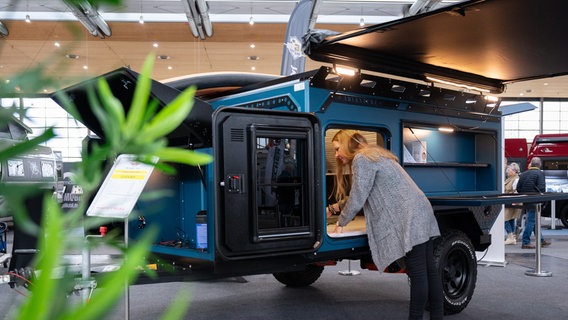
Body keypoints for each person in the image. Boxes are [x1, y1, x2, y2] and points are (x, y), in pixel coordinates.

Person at [328, 130, 443, 320]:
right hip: (421, 211)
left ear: (348, 144)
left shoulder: (362, 159)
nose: (336, 154)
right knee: (430, 271)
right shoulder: (376, 155)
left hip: (411, 216)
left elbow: (358, 197)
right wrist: (334, 208)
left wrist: (341, 223)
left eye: (338, 148)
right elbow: (363, 192)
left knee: (418, 273)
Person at [516, 157, 551, 249]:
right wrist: (543, 201)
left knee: (533, 220)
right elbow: (542, 189)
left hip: (526, 200)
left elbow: (518, 188)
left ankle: (541, 240)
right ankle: (525, 241)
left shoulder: (523, 174)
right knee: (531, 221)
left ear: (531, 164)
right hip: (535, 200)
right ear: (539, 165)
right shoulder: (540, 174)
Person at [504, 163, 522, 245]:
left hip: (512, 202)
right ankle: (512, 237)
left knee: (505, 219)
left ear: (514, 171)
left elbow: (516, 191)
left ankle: (510, 236)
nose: (507, 172)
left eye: (509, 170)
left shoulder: (516, 179)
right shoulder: (510, 178)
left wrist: (515, 201)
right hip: (508, 202)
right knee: (510, 218)